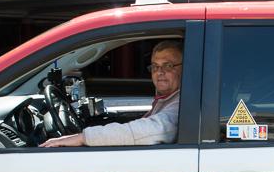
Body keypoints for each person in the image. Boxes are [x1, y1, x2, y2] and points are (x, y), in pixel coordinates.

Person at [40, 40, 183, 147]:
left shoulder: (184, 103)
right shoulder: (166, 98)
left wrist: (82, 138)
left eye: (168, 65)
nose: (159, 72)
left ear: (186, 68)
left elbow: (155, 130)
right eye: (155, 66)